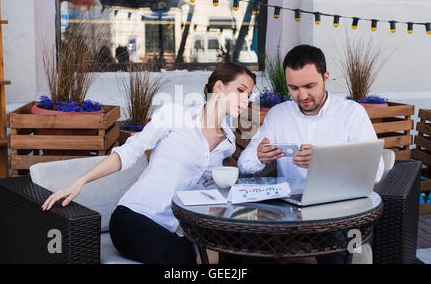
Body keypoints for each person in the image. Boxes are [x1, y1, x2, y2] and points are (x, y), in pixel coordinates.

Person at [41, 62, 256, 264]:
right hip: (135, 218)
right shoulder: (175, 115)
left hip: (179, 227)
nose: (246, 100)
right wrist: (80, 181)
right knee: (182, 257)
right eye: (240, 90)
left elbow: (206, 184)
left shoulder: (227, 141)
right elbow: (130, 150)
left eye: (249, 94)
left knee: (237, 248)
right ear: (219, 87)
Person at [237, 44, 384, 264]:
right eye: (293, 88)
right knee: (246, 244)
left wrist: (324, 162)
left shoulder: (351, 113)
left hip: (336, 211)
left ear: (326, 77)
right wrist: (259, 157)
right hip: (287, 214)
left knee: (337, 252)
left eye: (309, 85)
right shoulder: (279, 115)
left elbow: (376, 172)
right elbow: (244, 163)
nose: (302, 95)